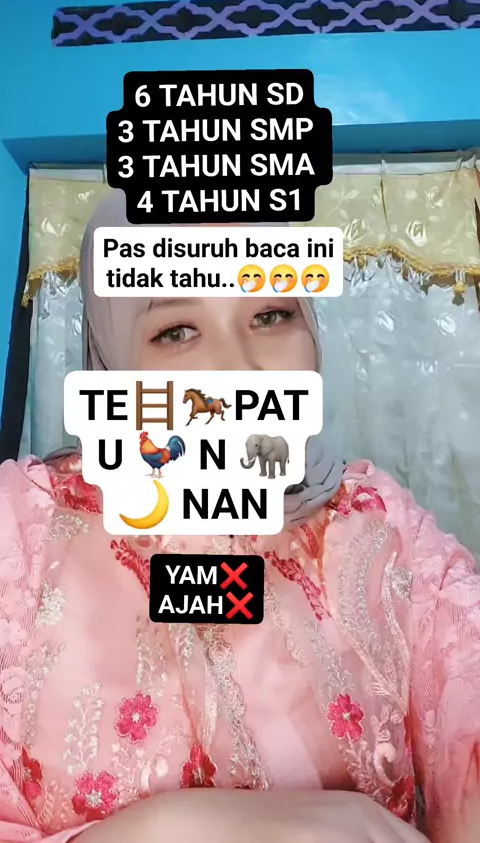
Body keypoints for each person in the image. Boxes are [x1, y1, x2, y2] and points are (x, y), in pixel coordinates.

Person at [0, 191, 478, 843]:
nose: (239, 369)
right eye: (176, 330)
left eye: (271, 314)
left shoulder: (378, 527)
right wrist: (170, 831)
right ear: (113, 353)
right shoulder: (21, 533)